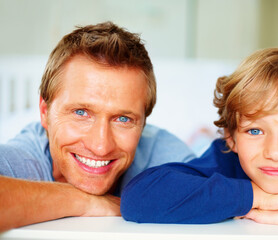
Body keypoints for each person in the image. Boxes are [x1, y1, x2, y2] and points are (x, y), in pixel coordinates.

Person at [121, 45, 278, 234]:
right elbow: (138, 198)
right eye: (255, 131)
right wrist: (260, 197)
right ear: (231, 138)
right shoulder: (224, 161)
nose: (275, 153)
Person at [0, 22, 195, 232]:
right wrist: (84, 201)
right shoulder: (23, 159)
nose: (101, 146)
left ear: (144, 123)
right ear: (45, 113)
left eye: (123, 119)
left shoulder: (164, 156)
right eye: (81, 112)